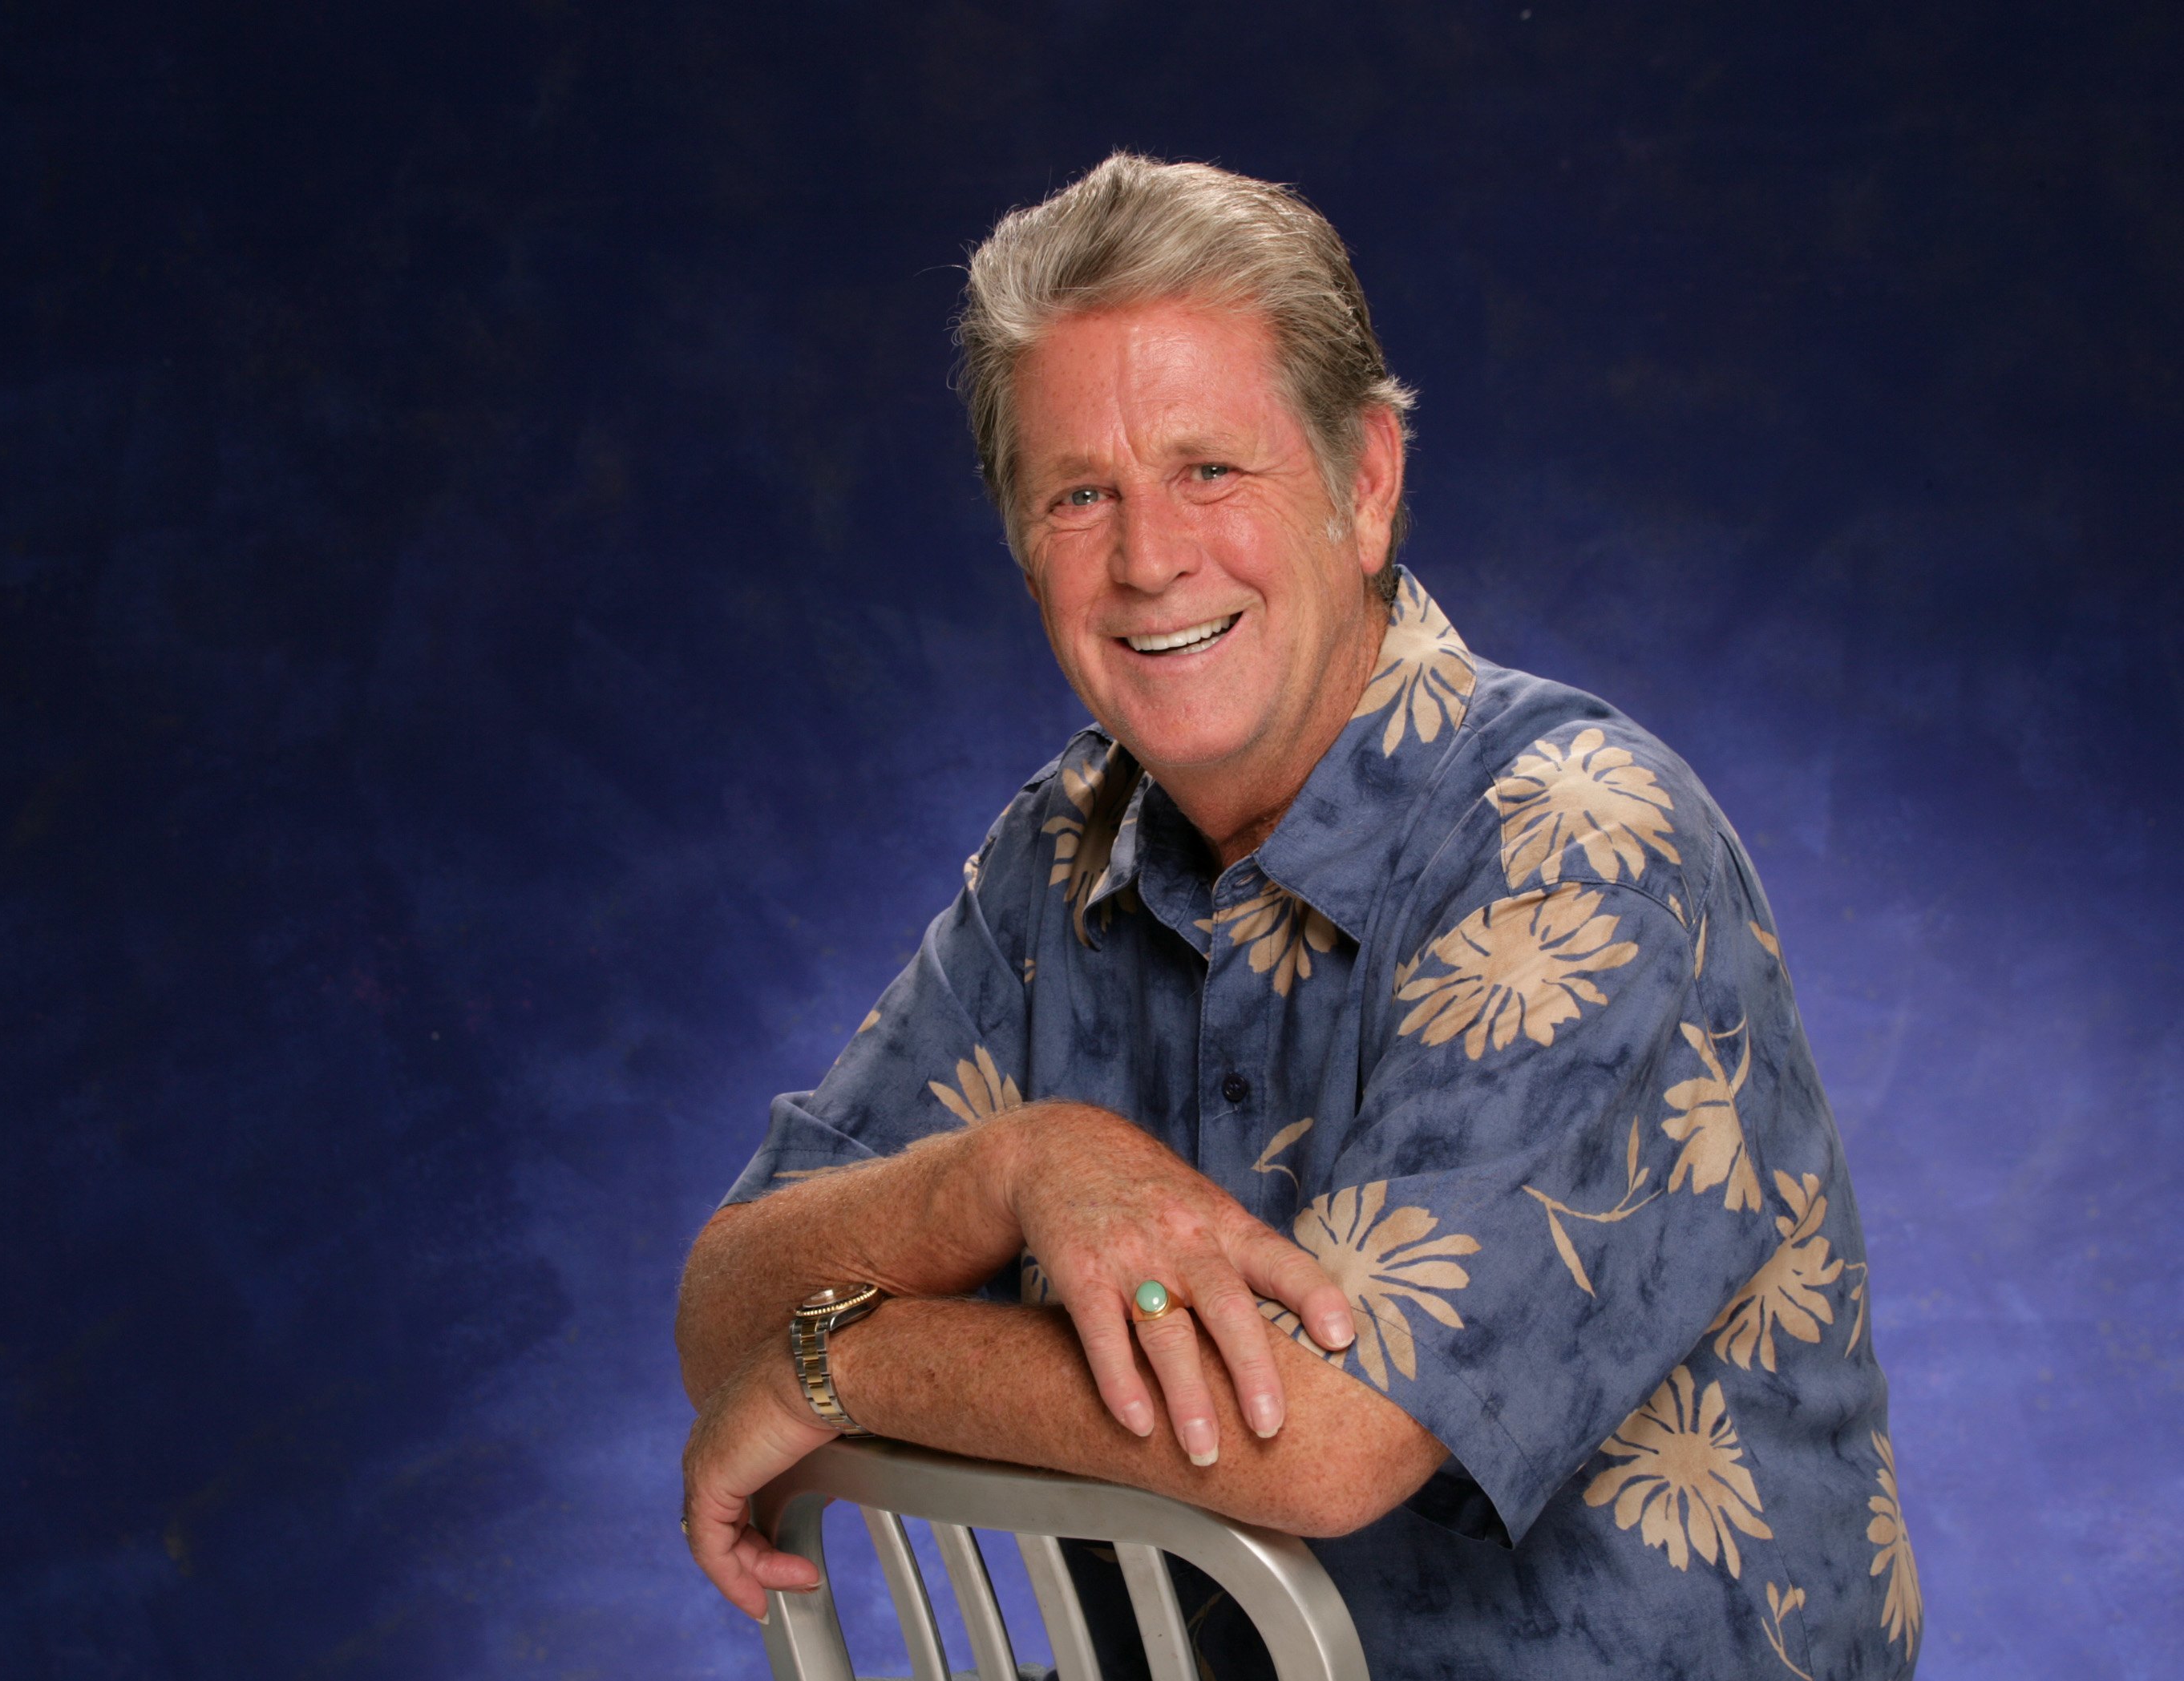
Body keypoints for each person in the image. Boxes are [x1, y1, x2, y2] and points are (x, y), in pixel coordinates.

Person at [676, 152, 1920, 1679]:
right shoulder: (1066, 849)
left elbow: (1326, 1435)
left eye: (1211, 469)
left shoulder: (1580, 839)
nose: (1149, 559)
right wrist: (1015, 1168)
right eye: (1081, 494)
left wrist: (845, 1361)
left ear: (1366, 484)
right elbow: (723, 1309)